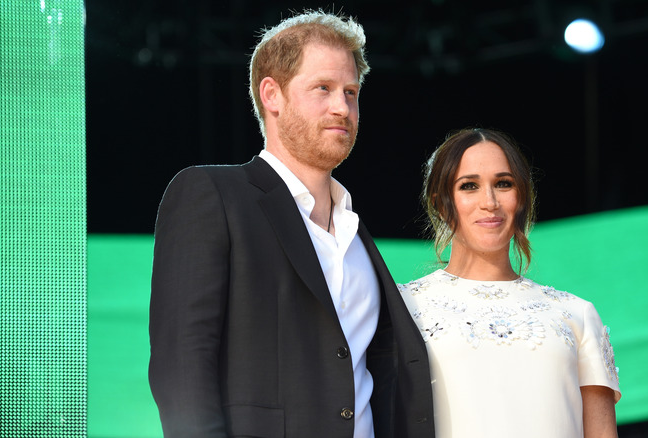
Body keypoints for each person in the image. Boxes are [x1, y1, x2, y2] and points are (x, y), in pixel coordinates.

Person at [148, 11, 435, 438]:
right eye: (323, 88)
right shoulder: (211, 194)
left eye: (351, 92)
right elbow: (182, 365)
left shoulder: (357, 235)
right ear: (272, 94)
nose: (343, 107)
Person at [398, 128, 621, 438]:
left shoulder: (576, 315)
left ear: (521, 197)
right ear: (441, 203)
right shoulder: (402, 308)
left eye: (503, 184)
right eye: (469, 186)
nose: (489, 201)